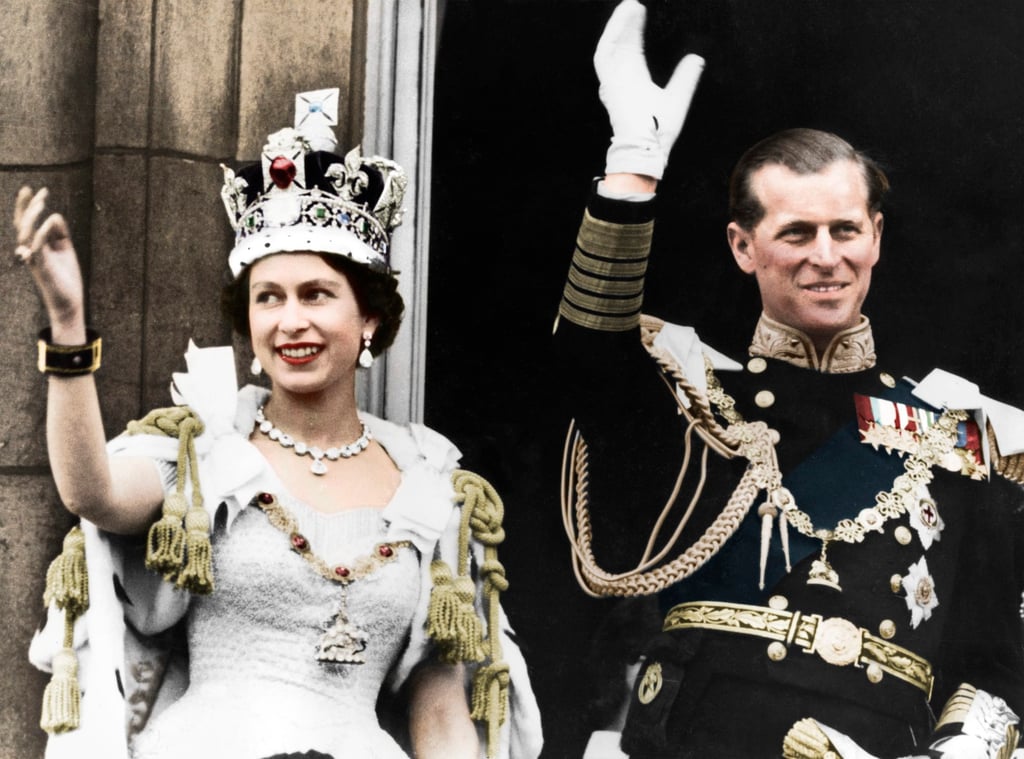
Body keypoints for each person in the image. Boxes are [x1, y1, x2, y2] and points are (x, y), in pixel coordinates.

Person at [555, 2, 1024, 757]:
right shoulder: (694, 395)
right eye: (795, 233)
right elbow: (585, 369)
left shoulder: (961, 435)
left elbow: (998, 663)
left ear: (875, 237)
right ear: (744, 247)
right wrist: (632, 167)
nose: (825, 256)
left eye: (844, 229)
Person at [18, 89, 542, 759]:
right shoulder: (207, 450)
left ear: (370, 320)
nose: (289, 321)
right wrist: (67, 324)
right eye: (269, 298)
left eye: (316, 295)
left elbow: (438, 713)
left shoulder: (429, 483)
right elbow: (90, 491)